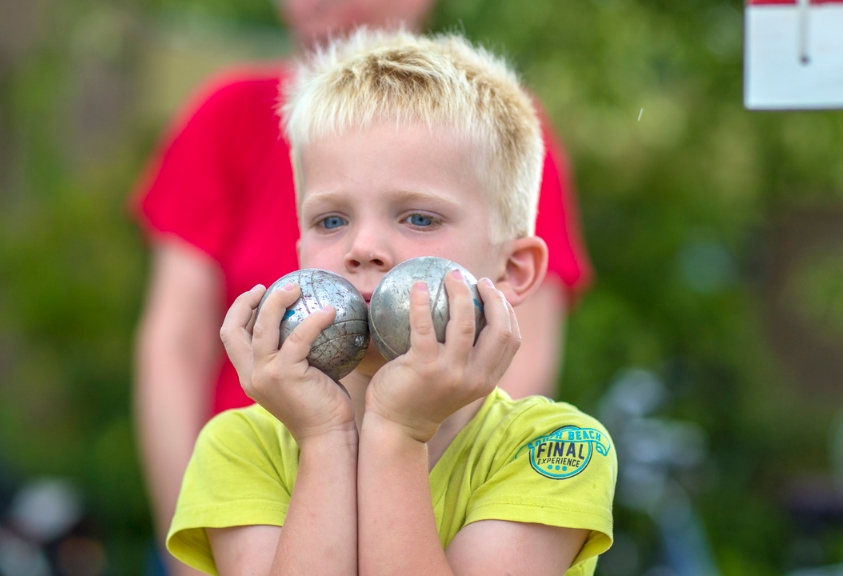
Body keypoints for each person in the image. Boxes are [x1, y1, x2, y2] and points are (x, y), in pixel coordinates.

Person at [132, 2, 592, 567]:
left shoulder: (554, 448)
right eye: (331, 220)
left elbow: (529, 354)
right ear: (300, 252)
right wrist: (326, 440)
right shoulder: (239, 448)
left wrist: (398, 433)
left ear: (514, 271)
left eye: (419, 218)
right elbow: (172, 339)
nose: (363, 246)